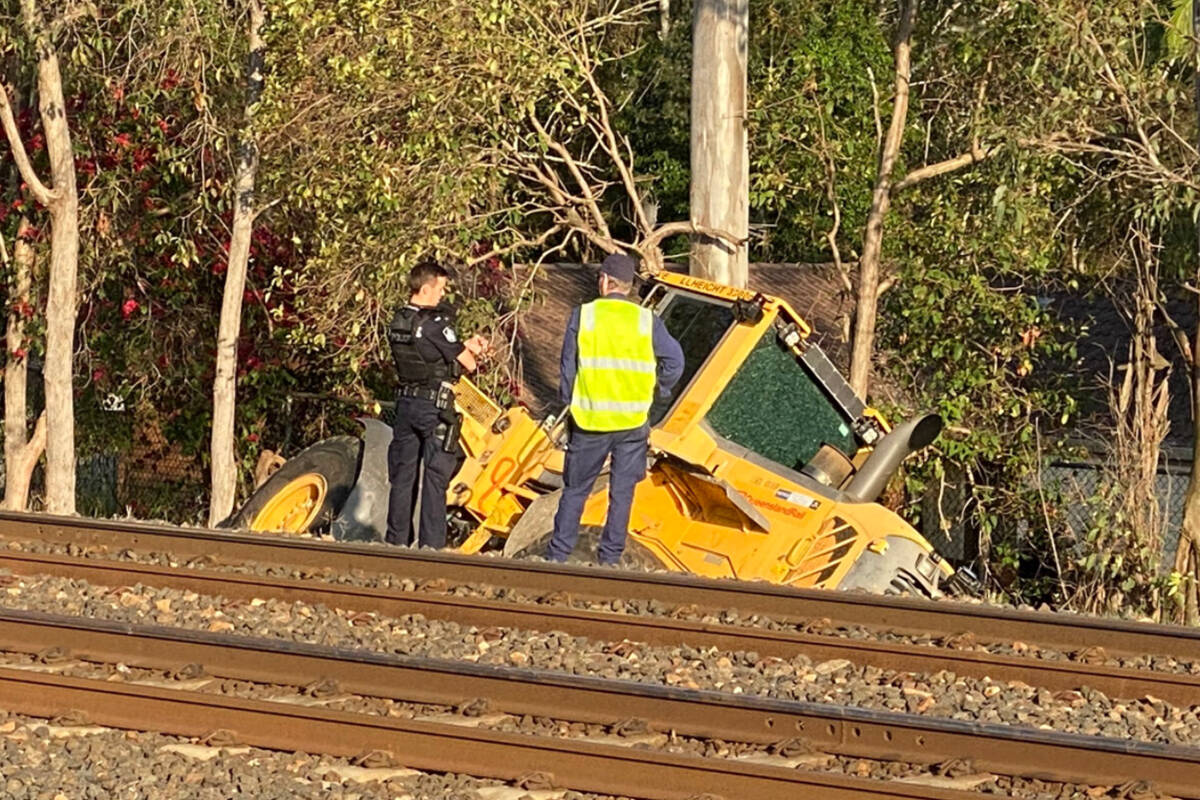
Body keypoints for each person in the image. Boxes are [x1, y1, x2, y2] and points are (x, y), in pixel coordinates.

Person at [546, 253, 684, 565]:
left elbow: (568, 367)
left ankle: (557, 556)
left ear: (606, 282)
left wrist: (570, 401)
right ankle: (609, 560)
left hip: (589, 420)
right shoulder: (646, 320)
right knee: (622, 494)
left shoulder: (583, 316)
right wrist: (658, 392)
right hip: (632, 423)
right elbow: (675, 361)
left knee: (575, 491)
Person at [386, 260, 488, 548]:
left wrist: (460, 345)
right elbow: (465, 363)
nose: (443, 294)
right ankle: (431, 547)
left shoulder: (399, 320)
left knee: (402, 477)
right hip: (434, 409)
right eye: (441, 288)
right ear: (427, 287)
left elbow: (427, 352)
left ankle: (396, 543)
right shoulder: (436, 322)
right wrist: (472, 351)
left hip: (405, 404)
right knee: (435, 477)